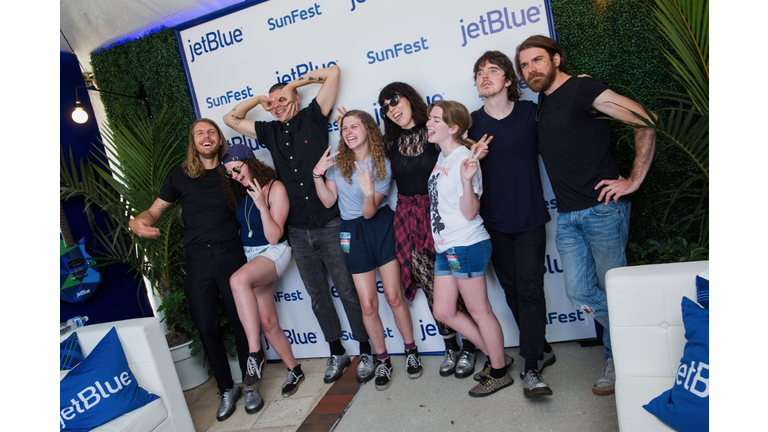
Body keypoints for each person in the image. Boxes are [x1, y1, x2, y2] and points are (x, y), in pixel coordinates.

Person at [515, 35, 656, 395]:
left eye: (537, 60)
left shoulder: (583, 89)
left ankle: (617, 360)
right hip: (567, 217)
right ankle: (641, 337)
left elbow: (645, 119)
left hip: (602, 211)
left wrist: (633, 180)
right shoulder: (543, 102)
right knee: (579, 292)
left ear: (556, 59)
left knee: (613, 289)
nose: (531, 69)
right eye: (524, 65)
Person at [222, 65, 371, 384]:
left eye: (283, 99)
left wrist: (293, 85)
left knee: (347, 289)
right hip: (298, 232)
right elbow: (230, 119)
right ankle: (337, 351)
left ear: (297, 98)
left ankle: (366, 349)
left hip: (330, 222)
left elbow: (333, 73)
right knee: (318, 295)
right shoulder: (268, 131)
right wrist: (259, 100)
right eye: (272, 103)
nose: (277, 106)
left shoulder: (314, 115)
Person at [128, 119, 255, 421]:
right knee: (206, 326)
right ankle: (227, 389)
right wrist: (138, 221)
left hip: (230, 253)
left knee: (241, 322)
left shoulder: (231, 172)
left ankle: (250, 385)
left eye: (211, 132)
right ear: (193, 142)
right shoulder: (180, 176)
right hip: (197, 258)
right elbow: (154, 211)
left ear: (219, 139)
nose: (206, 136)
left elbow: (262, 189)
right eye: (200, 133)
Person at [313, 109, 423, 391]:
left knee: (394, 297)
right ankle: (382, 359)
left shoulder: (383, 163)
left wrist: (368, 190)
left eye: (354, 126)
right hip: (352, 232)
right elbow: (328, 202)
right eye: (344, 128)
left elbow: (370, 211)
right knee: (368, 304)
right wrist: (317, 175)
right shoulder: (338, 164)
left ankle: (411, 350)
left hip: (380, 225)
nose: (348, 132)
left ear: (368, 130)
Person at [467, 50, 555, 397]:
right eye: (479, 73)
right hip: (493, 224)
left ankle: (531, 365)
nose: (485, 76)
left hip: (530, 217)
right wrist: (473, 157)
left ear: (508, 79)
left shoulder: (531, 113)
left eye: (492, 70)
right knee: (513, 291)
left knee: (531, 290)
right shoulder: (471, 125)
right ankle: (540, 347)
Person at [377, 83, 477, 378]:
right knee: (431, 287)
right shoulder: (389, 143)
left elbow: (461, 153)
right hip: (408, 219)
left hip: (441, 215)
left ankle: (471, 345)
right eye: (385, 106)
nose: (391, 108)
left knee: (457, 283)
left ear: (410, 98)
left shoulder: (434, 131)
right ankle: (450, 346)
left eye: (395, 100)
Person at [425, 100, 511, 397]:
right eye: (429, 118)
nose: (429, 124)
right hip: (446, 247)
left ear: (453, 128)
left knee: (479, 310)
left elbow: (470, 211)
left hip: (466, 244)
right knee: (443, 311)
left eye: (436, 120)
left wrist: (466, 180)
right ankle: (497, 356)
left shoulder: (463, 159)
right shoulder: (444, 155)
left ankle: (499, 372)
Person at [220, 144, 304, 399]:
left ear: (251, 163)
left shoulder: (275, 188)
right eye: (229, 173)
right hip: (251, 255)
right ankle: (295, 370)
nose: (234, 176)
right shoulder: (239, 191)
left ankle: (254, 354)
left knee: (238, 280)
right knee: (268, 322)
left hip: (274, 251)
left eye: (237, 169)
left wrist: (262, 207)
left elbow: (274, 236)